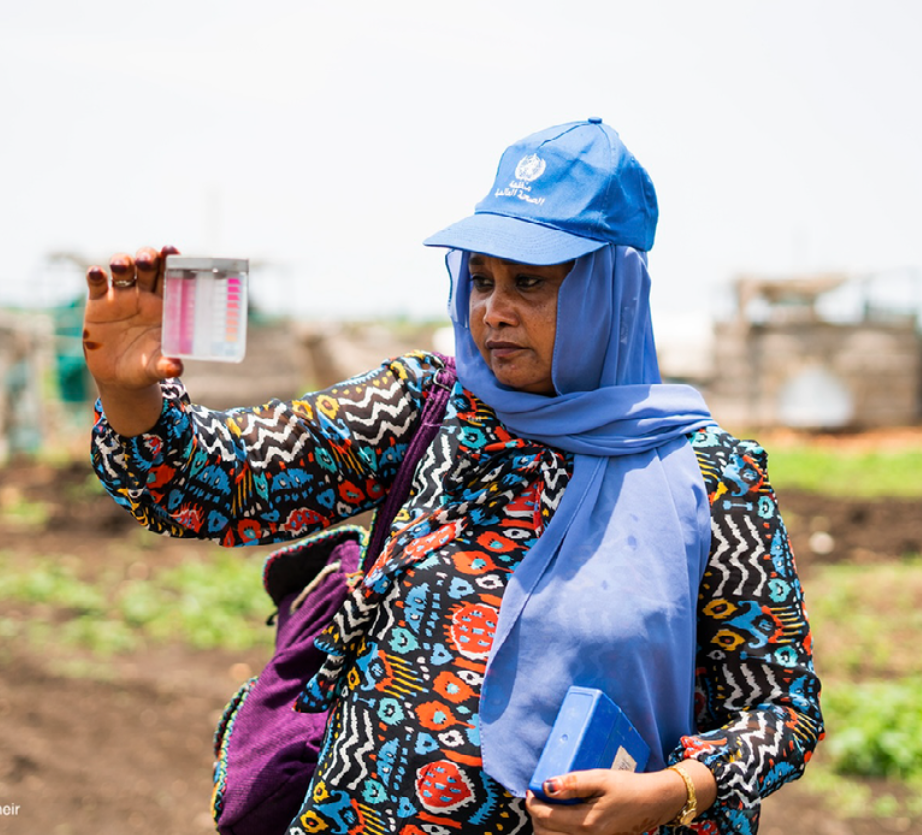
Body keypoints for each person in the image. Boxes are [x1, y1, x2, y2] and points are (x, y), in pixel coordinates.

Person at [83, 118, 823, 835]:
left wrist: (675, 789)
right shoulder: (424, 410)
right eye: (480, 279)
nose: (492, 311)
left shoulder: (709, 478)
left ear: (610, 292)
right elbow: (221, 482)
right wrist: (130, 395)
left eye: (528, 282)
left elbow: (782, 709)